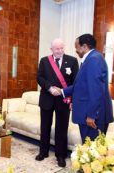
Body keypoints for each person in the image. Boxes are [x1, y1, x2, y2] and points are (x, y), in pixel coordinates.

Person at [60, 34, 114, 143]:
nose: (76, 51)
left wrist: (91, 115)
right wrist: (61, 91)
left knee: (92, 151)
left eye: (77, 48)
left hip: (93, 118)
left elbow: (95, 91)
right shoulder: (91, 58)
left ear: (84, 46)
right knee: (90, 150)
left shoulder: (94, 60)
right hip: (90, 114)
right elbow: (81, 85)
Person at [36, 38, 79, 167]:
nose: (59, 51)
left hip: (63, 99)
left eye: (61, 48)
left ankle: (60, 155)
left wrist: (67, 94)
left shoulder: (72, 60)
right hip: (47, 98)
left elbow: (75, 81)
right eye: (57, 49)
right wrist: (50, 88)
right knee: (45, 126)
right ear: (52, 49)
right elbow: (39, 77)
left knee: (62, 128)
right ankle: (43, 151)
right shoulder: (44, 61)